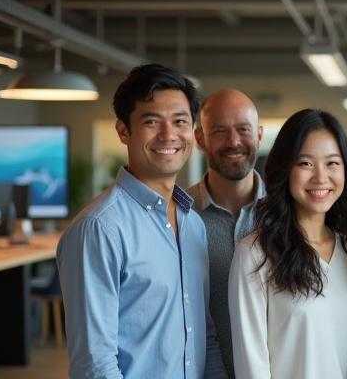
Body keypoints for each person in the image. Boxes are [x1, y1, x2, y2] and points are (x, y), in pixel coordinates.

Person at [57, 63, 226, 377]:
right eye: (152, 121)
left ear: (192, 131)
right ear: (124, 131)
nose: (168, 135)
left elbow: (205, 335)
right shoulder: (99, 229)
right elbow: (95, 364)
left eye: (180, 121)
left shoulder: (193, 225)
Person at [228, 109, 347, 378]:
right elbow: (251, 364)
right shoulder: (255, 254)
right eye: (305, 163)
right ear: (285, 169)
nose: (320, 177)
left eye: (332, 163)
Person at [187, 88, 265, 377]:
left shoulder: (288, 216)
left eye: (243, 129)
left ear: (259, 134)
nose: (233, 141)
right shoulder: (176, 216)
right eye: (219, 131)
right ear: (199, 138)